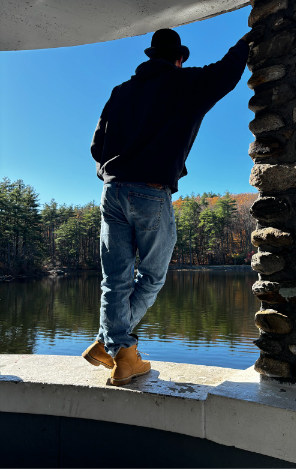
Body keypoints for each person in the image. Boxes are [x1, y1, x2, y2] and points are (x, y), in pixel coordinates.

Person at [82, 28, 251, 386]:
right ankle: (121, 354)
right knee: (153, 277)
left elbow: (97, 146)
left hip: (111, 192)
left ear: (149, 57)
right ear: (178, 58)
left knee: (115, 280)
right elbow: (227, 72)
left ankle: (107, 343)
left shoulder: (120, 92)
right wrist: (246, 42)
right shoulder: (185, 83)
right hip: (150, 192)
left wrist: (110, 168)